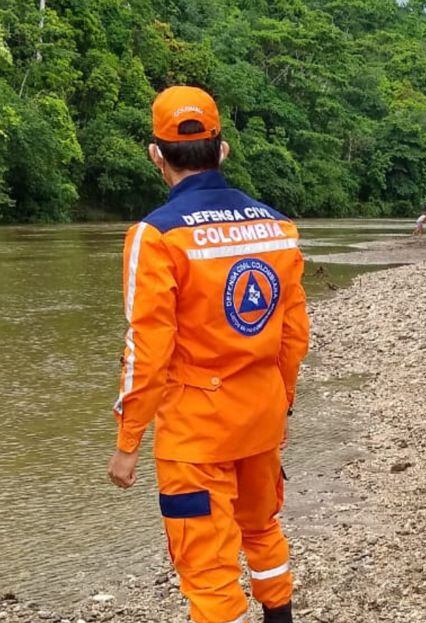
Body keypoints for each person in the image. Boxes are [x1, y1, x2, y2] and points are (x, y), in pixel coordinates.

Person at [106, 86, 309, 623]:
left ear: (156, 155)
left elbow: (147, 348)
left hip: (197, 431)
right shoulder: (278, 228)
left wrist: (128, 443)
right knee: (262, 526)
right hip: (262, 416)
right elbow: (293, 335)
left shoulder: (156, 237)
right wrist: (279, 403)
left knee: (207, 563)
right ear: (222, 150)